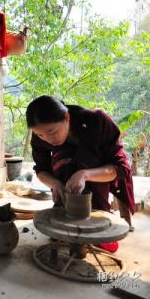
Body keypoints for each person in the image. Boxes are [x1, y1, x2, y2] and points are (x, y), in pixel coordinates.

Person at [26, 96, 135, 228]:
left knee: (98, 231)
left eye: (52, 132)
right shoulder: (41, 134)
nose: (48, 139)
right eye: (41, 135)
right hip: (68, 170)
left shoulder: (98, 120)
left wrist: (85, 174)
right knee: (63, 158)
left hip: (101, 168)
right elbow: (41, 169)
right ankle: (68, 205)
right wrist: (55, 183)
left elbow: (121, 168)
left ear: (67, 117)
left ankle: (95, 205)